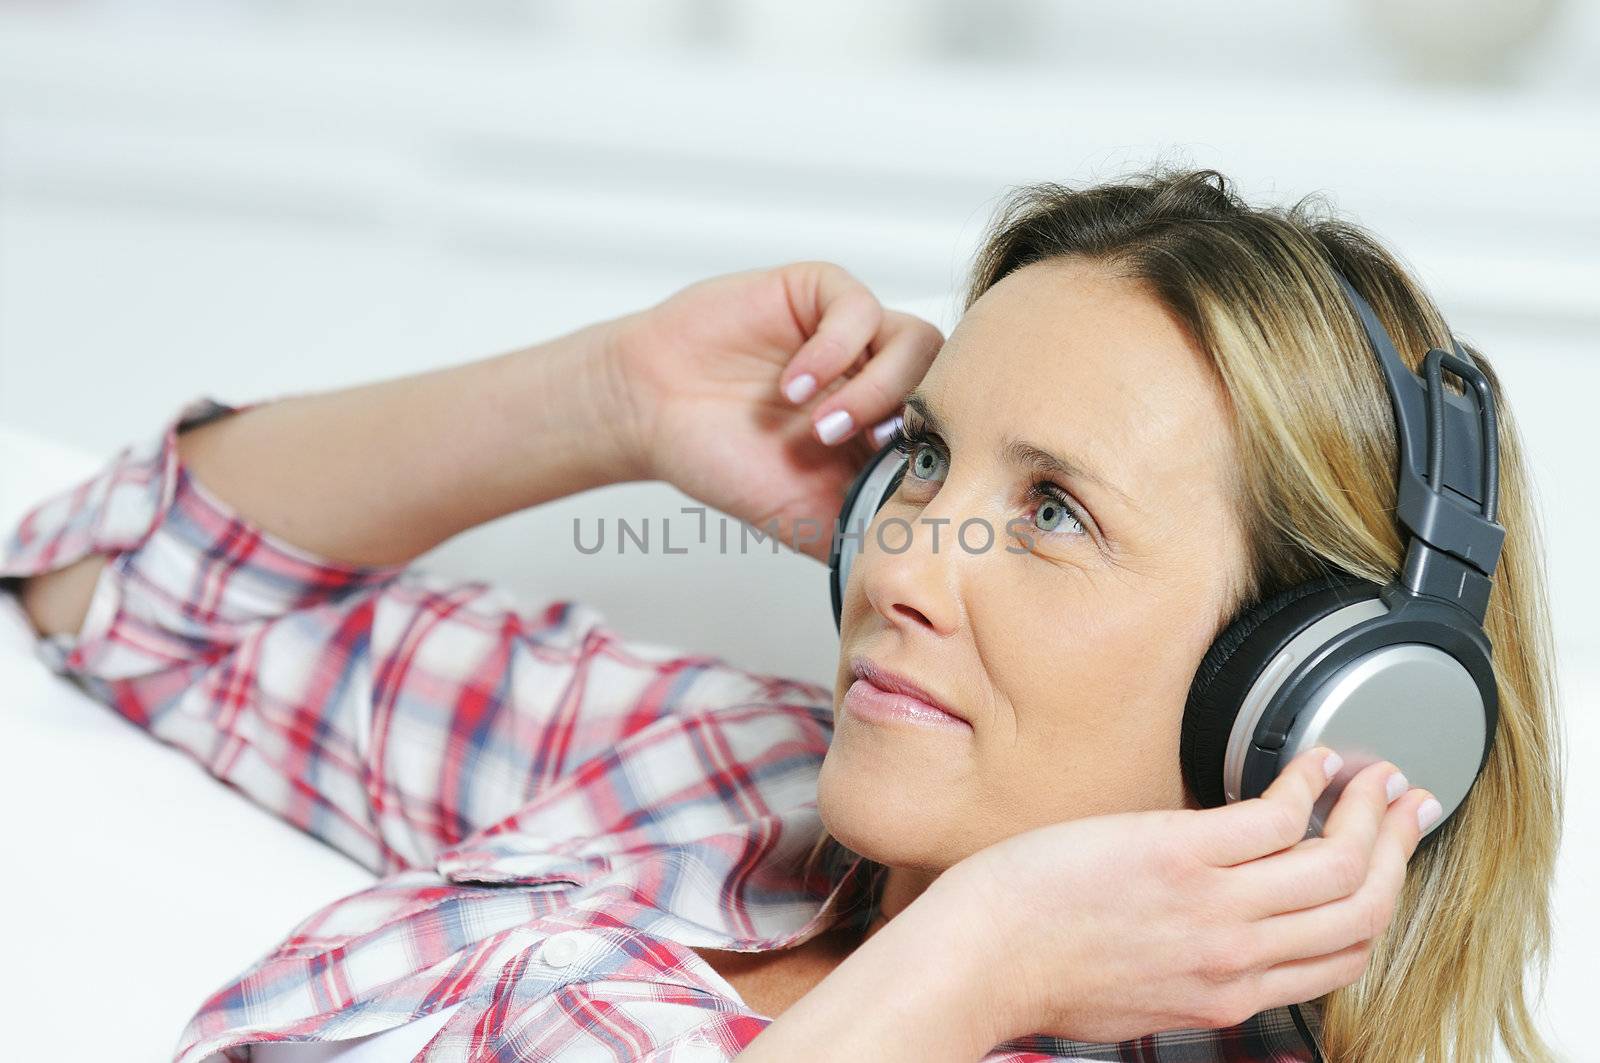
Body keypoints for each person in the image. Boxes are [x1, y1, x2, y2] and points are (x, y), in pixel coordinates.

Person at [0, 167, 1560, 1063]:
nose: (900, 562)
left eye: (1058, 513)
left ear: (1316, 699)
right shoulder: (720, 775)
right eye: (930, 459)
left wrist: (973, 971)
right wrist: (600, 400)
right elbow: (119, 598)